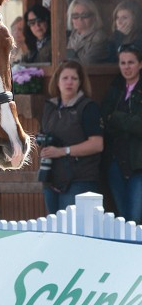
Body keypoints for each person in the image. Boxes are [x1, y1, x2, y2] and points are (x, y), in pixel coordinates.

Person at [38, 60, 104, 214]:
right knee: (55, 229)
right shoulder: (49, 106)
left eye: (74, 78)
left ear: (80, 82)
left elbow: (97, 144)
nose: (69, 82)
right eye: (65, 78)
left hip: (80, 179)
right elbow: (43, 135)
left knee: (73, 230)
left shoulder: (88, 107)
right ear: (57, 82)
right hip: (51, 177)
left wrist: (62, 151)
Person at [101, 44, 142, 224]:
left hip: (138, 165)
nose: (126, 67)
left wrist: (116, 117)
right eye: (123, 62)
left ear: (140, 64)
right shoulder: (116, 88)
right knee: (122, 217)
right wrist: (127, 121)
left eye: (131, 62)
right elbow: (103, 118)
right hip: (115, 163)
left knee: (134, 217)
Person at [66, 0, 113, 65]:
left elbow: (87, 63)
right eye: (75, 16)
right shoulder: (70, 37)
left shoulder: (100, 38)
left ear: (94, 17)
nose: (80, 19)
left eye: (84, 15)